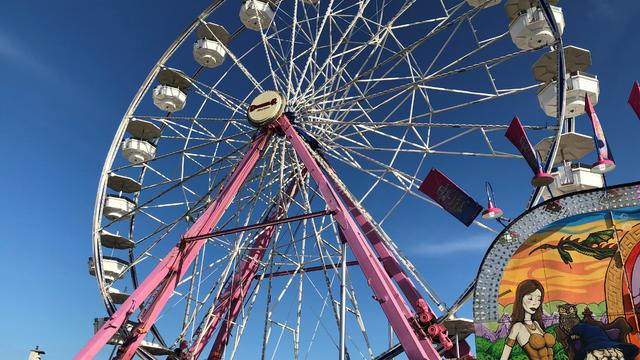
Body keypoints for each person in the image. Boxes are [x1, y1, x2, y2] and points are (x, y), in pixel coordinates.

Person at [500, 279, 555, 360]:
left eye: (539, 299)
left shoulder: (536, 323)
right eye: (530, 298)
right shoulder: (517, 327)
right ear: (520, 298)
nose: (535, 303)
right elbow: (504, 356)